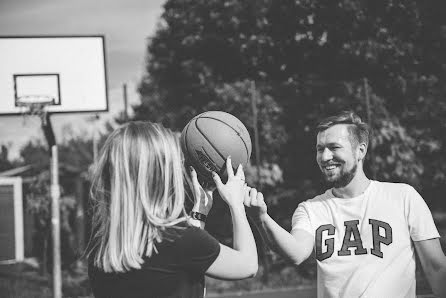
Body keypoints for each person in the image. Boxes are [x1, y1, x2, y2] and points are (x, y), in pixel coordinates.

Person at [245, 111, 446, 297]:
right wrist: (261, 218)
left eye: (334, 147)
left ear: (360, 150)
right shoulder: (310, 209)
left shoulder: (403, 197)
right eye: (320, 149)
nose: (325, 157)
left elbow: (436, 267)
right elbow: (296, 253)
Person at [87, 121, 258, 298]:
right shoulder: (179, 239)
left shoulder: (101, 251)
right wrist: (236, 204)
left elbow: (185, 270)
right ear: (161, 174)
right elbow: (248, 265)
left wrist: (199, 214)